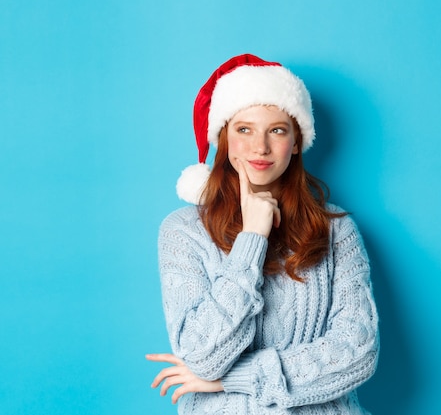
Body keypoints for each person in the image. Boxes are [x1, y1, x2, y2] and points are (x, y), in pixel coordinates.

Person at [146, 54, 379, 415]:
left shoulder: (335, 229)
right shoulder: (183, 232)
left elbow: (356, 352)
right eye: (244, 129)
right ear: (224, 138)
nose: (260, 147)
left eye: (277, 130)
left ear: (297, 142)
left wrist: (231, 380)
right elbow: (202, 356)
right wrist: (252, 238)